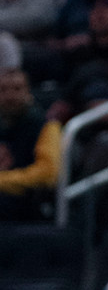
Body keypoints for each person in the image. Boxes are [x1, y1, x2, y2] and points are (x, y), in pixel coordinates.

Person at [0, 67, 61, 222]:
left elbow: (47, 173)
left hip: (28, 204)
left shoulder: (46, 126)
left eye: (17, 89)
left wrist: (4, 181)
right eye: (3, 90)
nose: (10, 96)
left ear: (29, 92)